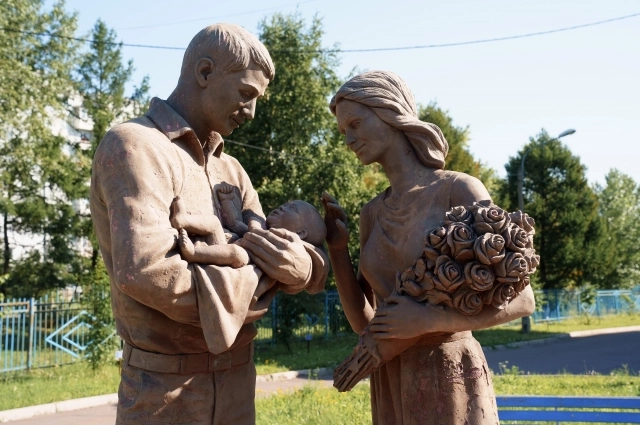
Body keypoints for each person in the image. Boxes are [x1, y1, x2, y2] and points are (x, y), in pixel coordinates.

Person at [89, 23, 328, 425]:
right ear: (204, 73)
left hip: (238, 385)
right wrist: (261, 282)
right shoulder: (134, 145)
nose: (251, 112)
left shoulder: (231, 170)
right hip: (165, 395)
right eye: (246, 94)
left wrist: (307, 266)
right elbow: (146, 273)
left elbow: (288, 252)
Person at [322, 70, 535, 425]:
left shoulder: (458, 190)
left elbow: (523, 299)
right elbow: (366, 323)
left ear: (389, 111)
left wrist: (431, 318)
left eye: (356, 124)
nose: (349, 139)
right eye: (344, 131)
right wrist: (338, 250)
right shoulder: (371, 213)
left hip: (449, 369)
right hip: (389, 375)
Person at [172, 188, 327, 268]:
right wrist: (227, 201)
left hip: (232, 256)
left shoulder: (285, 245)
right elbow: (235, 224)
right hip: (221, 245)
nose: (283, 207)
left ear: (300, 233)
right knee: (213, 223)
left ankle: (194, 253)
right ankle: (183, 220)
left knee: (237, 253)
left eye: (292, 209)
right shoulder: (264, 230)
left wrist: (253, 225)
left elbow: (249, 230)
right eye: (286, 204)